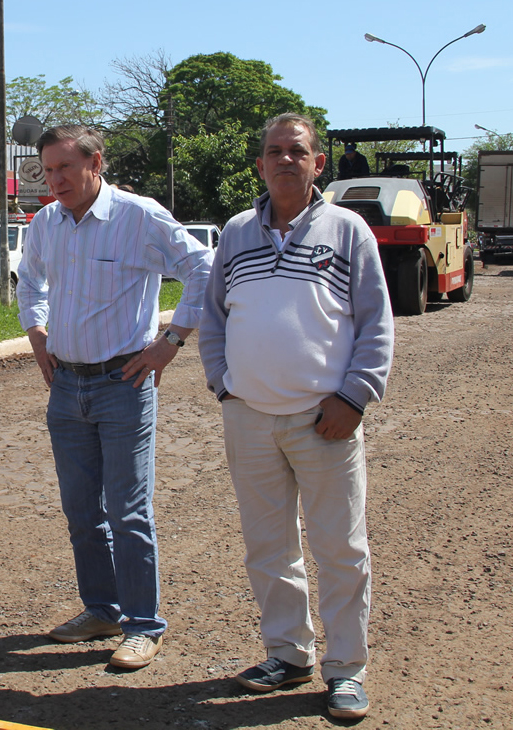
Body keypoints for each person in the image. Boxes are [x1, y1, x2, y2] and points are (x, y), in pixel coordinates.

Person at [199, 113, 394, 719]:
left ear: (318, 163)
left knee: (341, 549)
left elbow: (376, 323)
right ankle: (287, 654)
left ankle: (346, 669)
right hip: (249, 418)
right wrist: (224, 386)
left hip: (325, 420)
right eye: (275, 151)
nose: (285, 159)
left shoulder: (348, 230)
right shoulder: (236, 232)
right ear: (260, 163)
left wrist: (353, 398)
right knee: (268, 547)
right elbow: (213, 318)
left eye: (297, 150)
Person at [17, 125, 213, 670]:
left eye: (65, 167)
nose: (55, 180)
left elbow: (203, 268)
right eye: (48, 170)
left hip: (123, 384)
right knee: (82, 510)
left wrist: (171, 341)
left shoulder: (137, 217)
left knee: (128, 511)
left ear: (95, 163)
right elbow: (29, 281)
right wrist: (37, 334)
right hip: (66, 386)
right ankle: (101, 610)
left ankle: (143, 625)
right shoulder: (46, 224)